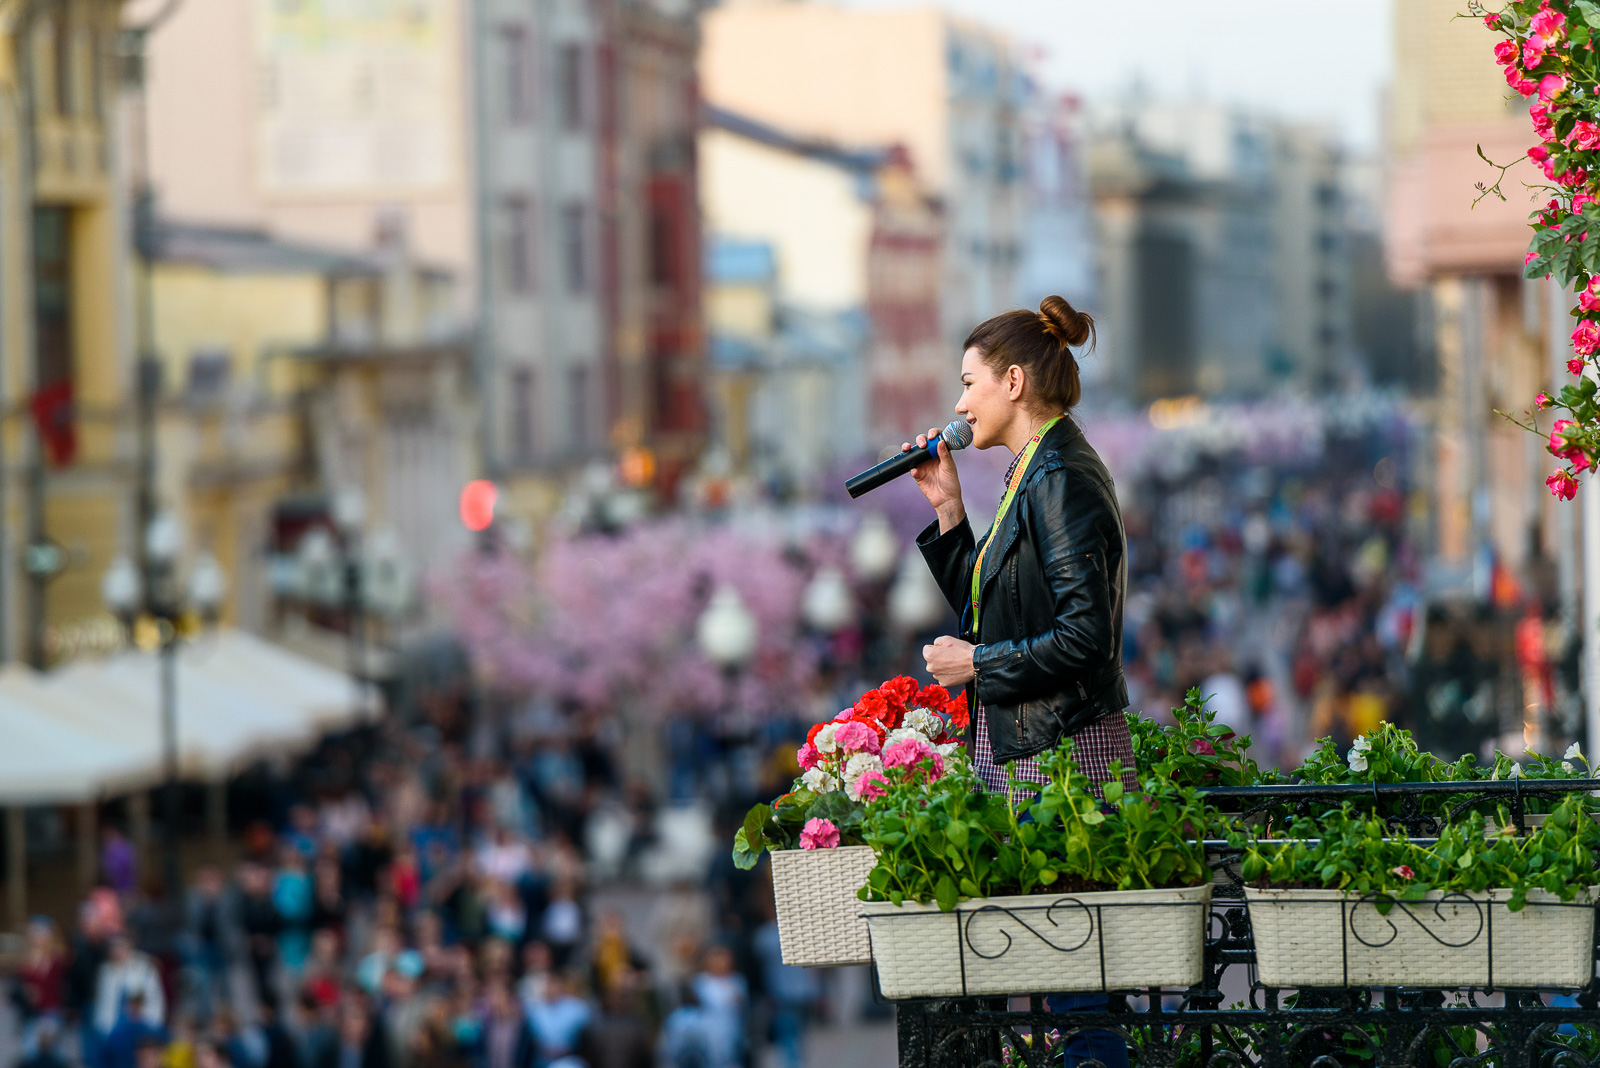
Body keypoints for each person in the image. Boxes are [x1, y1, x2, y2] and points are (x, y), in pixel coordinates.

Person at [906, 295, 1133, 1068]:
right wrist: (947, 511)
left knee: (1076, 974)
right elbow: (1000, 603)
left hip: (1066, 755)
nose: (959, 403)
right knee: (1060, 967)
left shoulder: (1061, 476)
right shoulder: (1029, 471)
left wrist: (977, 666)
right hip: (1040, 752)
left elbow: (1085, 636)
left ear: (1011, 383)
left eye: (967, 382)